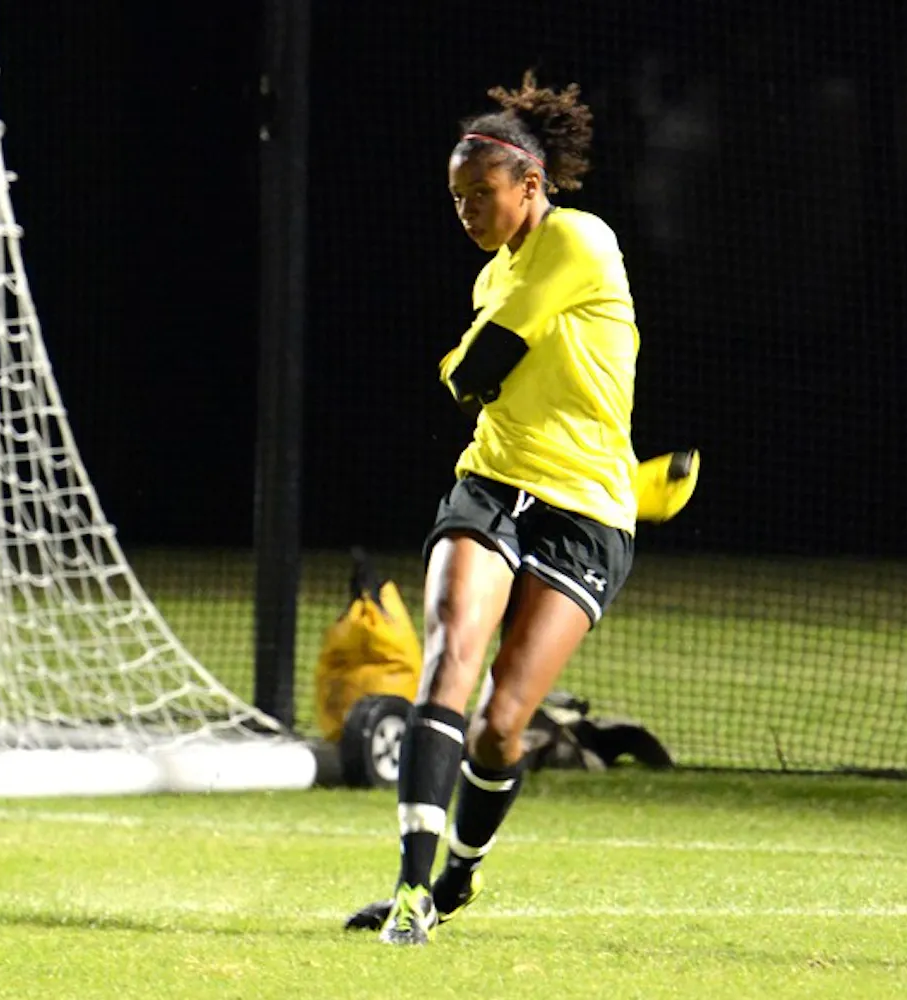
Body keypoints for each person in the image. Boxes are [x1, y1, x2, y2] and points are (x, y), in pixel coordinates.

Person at [346, 71, 642, 946]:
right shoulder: (494, 280)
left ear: (531, 186)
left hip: (586, 509)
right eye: (455, 196)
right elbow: (476, 381)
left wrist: (456, 368)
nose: (467, 210)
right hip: (492, 484)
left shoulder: (580, 243)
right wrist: (461, 370)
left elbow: (474, 372)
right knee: (447, 662)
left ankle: (454, 882)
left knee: (502, 723)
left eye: (482, 193)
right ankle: (407, 893)